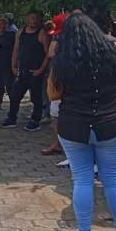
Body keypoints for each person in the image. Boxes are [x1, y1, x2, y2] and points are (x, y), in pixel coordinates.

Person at [48, 13, 116, 231]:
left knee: (82, 180)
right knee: (114, 180)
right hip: (112, 124)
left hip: (75, 126)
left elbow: (53, 95)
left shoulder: (63, 58)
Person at [0, 11, 50, 131]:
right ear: (27, 19)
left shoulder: (42, 33)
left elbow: (48, 53)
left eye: (36, 18)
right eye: (31, 18)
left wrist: (41, 69)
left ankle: (35, 120)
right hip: (22, 70)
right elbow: (16, 50)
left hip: (36, 71)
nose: (33, 21)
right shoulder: (21, 32)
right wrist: (13, 66)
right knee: (15, 95)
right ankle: (11, 118)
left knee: (36, 97)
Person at [42, 13, 69, 156]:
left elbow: (51, 53)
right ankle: (60, 144)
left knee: (57, 112)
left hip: (62, 80)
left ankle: (60, 144)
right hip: (63, 80)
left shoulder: (61, 38)